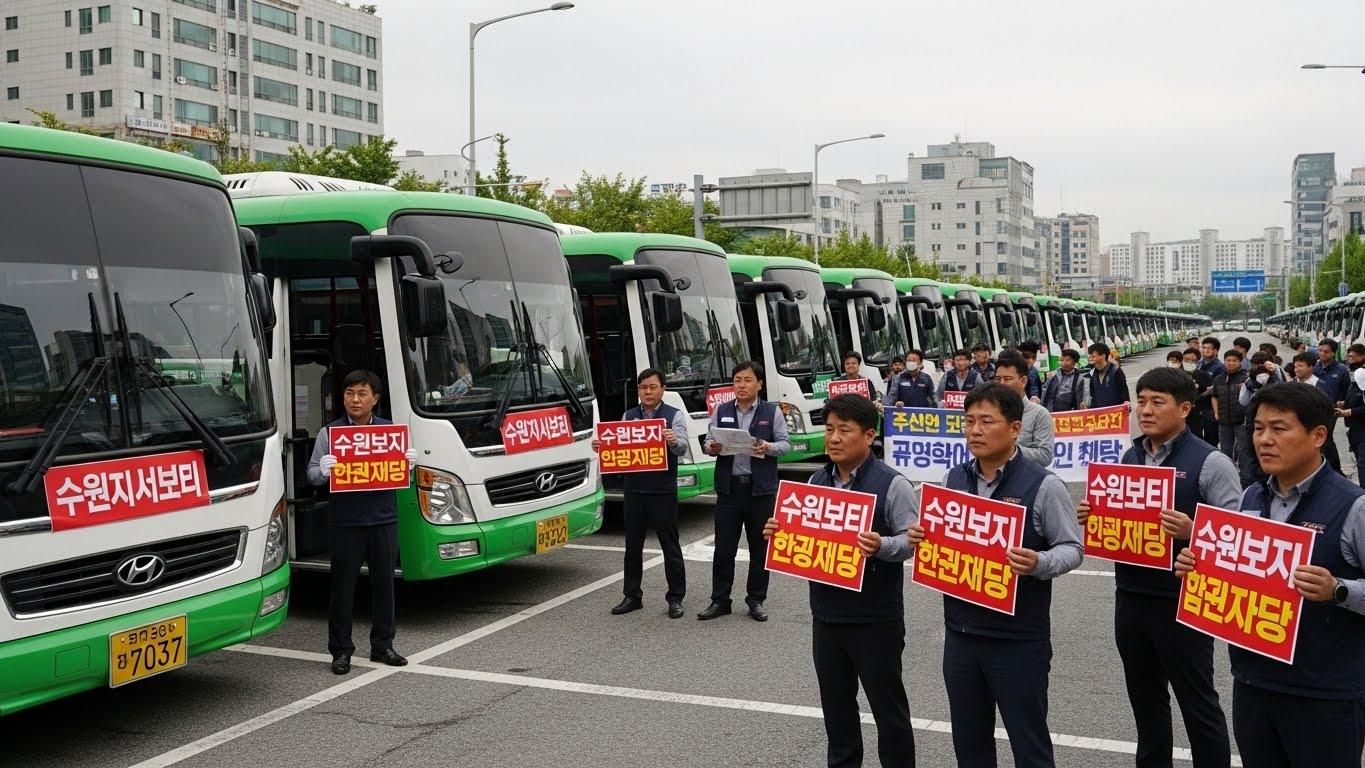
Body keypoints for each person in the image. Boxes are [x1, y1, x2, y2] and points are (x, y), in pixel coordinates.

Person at [1175, 383, 1365, 768]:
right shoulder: (1250, 498)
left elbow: (1345, 590)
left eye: (1279, 429)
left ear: (1318, 436)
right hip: (1254, 684)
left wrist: (1338, 590)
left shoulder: (1354, 507)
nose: (1264, 440)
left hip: (1324, 694)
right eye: (1258, 428)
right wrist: (1198, 568)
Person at [1076, 367, 1241, 768]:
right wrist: (1094, 514)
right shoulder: (1130, 456)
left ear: (1185, 409)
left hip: (1183, 603)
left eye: (1157, 402)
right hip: (1130, 597)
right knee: (1146, 702)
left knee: (1197, 703)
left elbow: (1237, 536)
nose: (1145, 411)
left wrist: (1193, 529)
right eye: (1142, 401)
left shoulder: (1211, 463)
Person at [924, 383, 1083, 768]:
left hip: (1017, 640)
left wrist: (1039, 563)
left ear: (1014, 429)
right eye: (969, 422)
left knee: (1029, 744)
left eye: (986, 422)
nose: (975, 431)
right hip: (961, 635)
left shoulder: (1043, 485)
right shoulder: (954, 479)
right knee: (970, 744)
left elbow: (1072, 548)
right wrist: (922, 537)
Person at [763, 395, 918, 768]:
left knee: (888, 710)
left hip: (874, 618)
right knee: (837, 710)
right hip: (827, 616)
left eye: (844, 430)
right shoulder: (817, 480)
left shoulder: (893, 485)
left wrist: (882, 545)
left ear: (868, 435)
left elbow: (910, 542)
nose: (833, 438)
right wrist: (780, 533)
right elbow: (807, 537)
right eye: (829, 429)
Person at [308, 370, 416, 675]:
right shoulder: (329, 434)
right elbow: (312, 472)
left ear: (375, 399)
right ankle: (341, 650)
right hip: (346, 521)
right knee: (343, 588)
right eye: (349, 393)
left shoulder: (389, 432)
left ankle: (383, 645)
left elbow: (401, 478)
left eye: (362, 393)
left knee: (385, 585)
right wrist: (323, 471)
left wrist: (408, 465)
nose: (355, 400)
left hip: (383, 518)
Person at [597, 368, 689, 619]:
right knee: (632, 545)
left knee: (669, 545)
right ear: (638, 390)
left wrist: (673, 440)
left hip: (662, 490)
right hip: (634, 490)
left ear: (662, 389)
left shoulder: (674, 416)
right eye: (643, 388)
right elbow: (617, 448)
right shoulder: (629, 415)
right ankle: (632, 595)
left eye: (653, 387)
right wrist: (602, 445)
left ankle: (676, 597)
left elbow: (682, 448)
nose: (648, 392)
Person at [702, 361, 790, 621]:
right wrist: (711, 447)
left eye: (747, 380)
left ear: (759, 384)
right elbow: (708, 441)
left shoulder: (771, 412)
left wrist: (767, 447)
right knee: (723, 549)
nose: (741, 385)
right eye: (737, 380)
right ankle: (720, 601)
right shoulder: (722, 410)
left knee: (760, 548)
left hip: (760, 490)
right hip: (729, 490)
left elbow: (786, 445)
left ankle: (756, 600)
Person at [994, 352, 1054, 467]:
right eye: (997, 379)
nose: (1001, 384)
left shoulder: (1039, 414)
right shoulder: (989, 411)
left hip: (1025, 481)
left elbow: (1045, 455)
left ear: (1023, 381)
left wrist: (1009, 449)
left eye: (1007, 379)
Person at [1289, 351, 1344, 473]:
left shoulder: (1321, 386)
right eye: (1295, 366)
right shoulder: (1291, 386)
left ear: (1311, 367)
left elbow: (1329, 411)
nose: (1296, 369)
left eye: (1300, 366)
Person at [1316, 339, 1351, 474]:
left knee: (1325, 437)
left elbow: (1347, 391)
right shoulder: (1314, 367)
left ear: (1333, 353)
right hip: (1312, 408)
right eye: (1320, 351)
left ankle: (1335, 470)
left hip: (1330, 411)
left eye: (1326, 352)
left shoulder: (1341, 370)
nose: (1322, 354)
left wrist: (1342, 404)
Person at [1209, 349, 1248, 466]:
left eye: (1234, 361)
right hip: (1224, 421)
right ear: (1224, 361)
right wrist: (1216, 413)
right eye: (1228, 360)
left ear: (1240, 362)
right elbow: (1214, 396)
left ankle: (1244, 479)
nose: (1231, 363)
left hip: (1241, 421)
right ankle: (1227, 471)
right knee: (1225, 450)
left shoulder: (1246, 378)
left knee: (1243, 451)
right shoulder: (1219, 379)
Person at [1183, 348, 1216, 445]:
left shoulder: (1204, 376)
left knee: (1196, 439)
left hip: (1198, 414)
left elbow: (1211, 393)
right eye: (1187, 359)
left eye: (1193, 360)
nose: (1189, 362)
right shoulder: (1175, 374)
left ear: (1198, 361)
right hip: (1179, 414)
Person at [1041, 349, 1089, 413]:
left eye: (1067, 360)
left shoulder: (1080, 379)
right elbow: (1044, 393)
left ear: (1074, 362)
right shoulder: (1053, 375)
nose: (1064, 363)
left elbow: (1084, 396)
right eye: (1062, 360)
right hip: (1051, 412)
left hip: (1070, 413)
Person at [1341, 363, 1365, 489]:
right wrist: (1343, 404)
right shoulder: (1355, 384)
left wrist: (1349, 412)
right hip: (1355, 430)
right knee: (1359, 462)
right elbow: (1354, 399)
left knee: (1363, 464)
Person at [1087, 342, 1131, 410]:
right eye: (1090, 356)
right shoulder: (1092, 373)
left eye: (1093, 356)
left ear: (1103, 356)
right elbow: (1092, 395)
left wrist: (1126, 405)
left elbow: (1123, 391)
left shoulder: (1116, 371)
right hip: (1099, 414)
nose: (1090, 359)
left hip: (1115, 413)